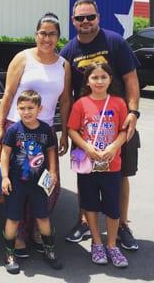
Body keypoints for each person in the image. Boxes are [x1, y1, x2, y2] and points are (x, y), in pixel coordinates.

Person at [60, 0, 140, 250]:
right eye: (80, 18)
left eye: (90, 17)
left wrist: (133, 112)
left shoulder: (114, 41)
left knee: (121, 175)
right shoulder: (68, 51)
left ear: (98, 17)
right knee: (85, 175)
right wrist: (66, 131)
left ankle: (123, 225)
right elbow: (64, 94)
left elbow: (131, 79)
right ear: (73, 21)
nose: (85, 22)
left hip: (118, 125)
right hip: (86, 129)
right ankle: (84, 221)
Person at [0, 12, 71, 255]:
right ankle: (17, 237)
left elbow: (66, 101)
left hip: (44, 134)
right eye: (43, 33)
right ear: (36, 34)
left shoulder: (63, 65)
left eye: (52, 34)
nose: (47, 38)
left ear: (59, 37)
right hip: (17, 131)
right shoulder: (23, 58)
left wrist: (64, 133)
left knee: (47, 186)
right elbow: (7, 94)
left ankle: (38, 229)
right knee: (17, 186)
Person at [68, 62, 129, 267]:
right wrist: (87, 147)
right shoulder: (81, 104)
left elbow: (123, 130)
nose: (99, 81)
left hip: (112, 165)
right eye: (95, 77)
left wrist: (113, 147)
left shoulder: (119, 103)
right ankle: (96, 242)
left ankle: (112, 245)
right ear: (88, 80)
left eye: (103, 77)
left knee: (113, 207)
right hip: (88, 166)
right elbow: (72, 130)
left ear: (110, 79)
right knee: (90, 205)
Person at [1, 90, 63, 274]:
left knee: (42, 216)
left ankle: (49, 250)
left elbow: (51, 150)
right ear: (17, 109)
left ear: (39, 108)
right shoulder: (13, 130)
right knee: (13, 218)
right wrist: (4, 177)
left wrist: (53, 171)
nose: (26, 112)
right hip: (16, 182)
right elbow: (5, 153)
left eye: (30, 108)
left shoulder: (45, 129)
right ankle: (9, 254)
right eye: (22, 108)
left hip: (38, 183)